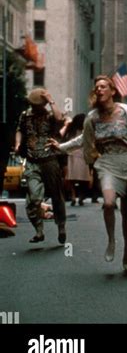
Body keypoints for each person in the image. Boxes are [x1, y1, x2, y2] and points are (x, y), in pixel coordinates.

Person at [50, 76, 127, 273]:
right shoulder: (92, 117)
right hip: (107, 163)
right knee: (109, 203)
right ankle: (111, 239)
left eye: (104, 86)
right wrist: (60, 147)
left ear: (112, 91)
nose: (99, 90)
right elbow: (82, 140)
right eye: (97, 87)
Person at [15, 88, 67, 245]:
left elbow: (59, 119)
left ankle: (61, 226)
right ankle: (39, 230)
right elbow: (19, 130)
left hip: (50, 160)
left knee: (57, 196)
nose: (34, 108)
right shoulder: (25, 115)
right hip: (32, 161)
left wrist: (51, 100)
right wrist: (17, 143)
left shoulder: (50, 114)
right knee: (33, 198)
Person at [62, 115, 91, 206]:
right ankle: (81, 197)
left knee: (72, 179)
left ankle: (73, 196)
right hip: (82, 155)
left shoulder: (71, 129)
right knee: (83, 179)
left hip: (72, 155)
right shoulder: (85, 129)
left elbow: (65, 139)